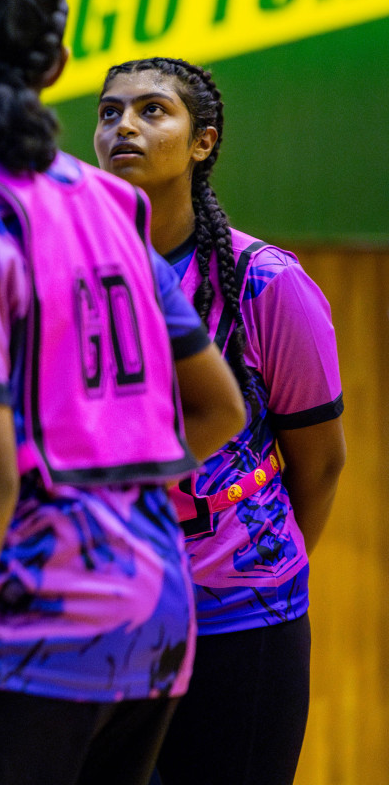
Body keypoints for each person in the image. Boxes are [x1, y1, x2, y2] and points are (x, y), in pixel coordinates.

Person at [0, 0, 248, 785]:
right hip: (156, 620)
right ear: (59, 65)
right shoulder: (112, 203)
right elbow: (220, 408)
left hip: (31, 626)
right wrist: (113, 486)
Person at [93, 57, 346, 785]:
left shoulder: (268, 283)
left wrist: (256, 569)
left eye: (151, 110)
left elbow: (321, 462)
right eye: (109, 113)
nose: (124, 126)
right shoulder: (72, 273)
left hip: (241, 617)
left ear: (203, 142)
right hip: (105, 617)